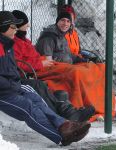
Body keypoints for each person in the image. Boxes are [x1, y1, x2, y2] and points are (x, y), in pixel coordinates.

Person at [0, 10, 91, 146]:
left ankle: (64, 125)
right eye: (13, 27)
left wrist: (16, 84)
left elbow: (12, 70)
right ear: (2, 28)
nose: (16, 30)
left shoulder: (8, 45)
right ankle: (61, 137)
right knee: (28, 107)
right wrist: (12, 85)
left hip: (14, 85)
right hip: (4, 93)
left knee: (35, 98)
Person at [13, 10, 116, 121]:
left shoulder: (29, 40)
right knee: (77, 72)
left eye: (68, 21)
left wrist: (85, 60)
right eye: (62, 20)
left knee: (100, 68)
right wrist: (40, 63)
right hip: (42, 68)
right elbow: (42, 59)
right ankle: (76, 108)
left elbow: (68, 55)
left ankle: (99, 105)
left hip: (51, 64)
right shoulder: (47, 37)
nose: (65, 23)